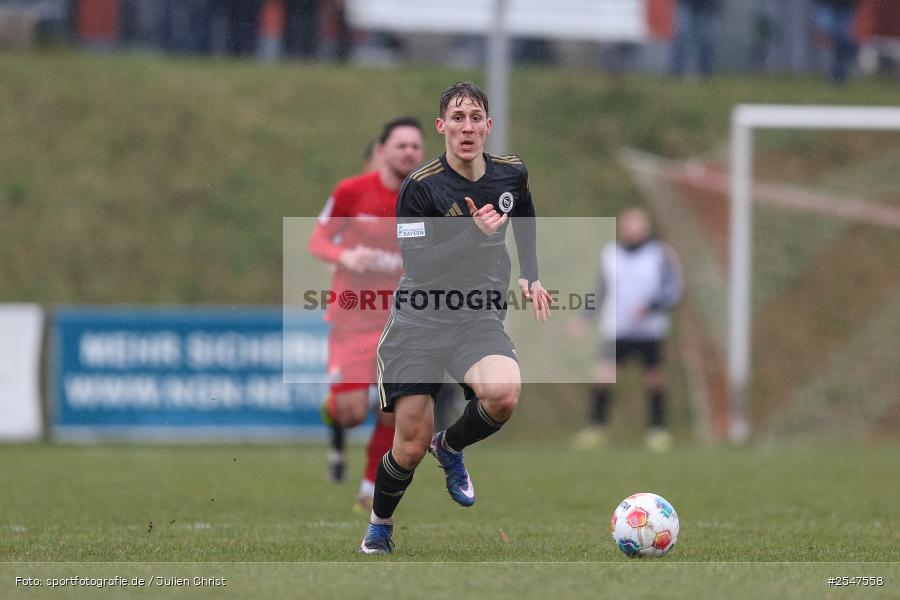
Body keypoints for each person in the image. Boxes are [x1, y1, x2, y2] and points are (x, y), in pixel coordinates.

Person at [358, 81, 553, 554]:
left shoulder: (511, 173)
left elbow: (522, 211)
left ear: (488, 125)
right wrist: (473, 233)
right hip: (419, 322)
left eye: (476, 118)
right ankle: (380, 525)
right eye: (458, 118)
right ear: (441, 126)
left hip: (475, 317)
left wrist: (529, 274)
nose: (467, 127)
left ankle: (449, 447)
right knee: (408, 444)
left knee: (504, 394)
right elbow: (418, 264)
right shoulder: (420, 187)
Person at [308, 117, 426, 511]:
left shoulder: (429, 200)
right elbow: (318, 238)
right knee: (351, 411)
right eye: (401, 145)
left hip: (400, 323)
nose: (408, 152)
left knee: (393, 409)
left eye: (415, 146)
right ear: (382, 151)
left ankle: (369, 485)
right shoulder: (351, 191)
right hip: (353, 317)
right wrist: (344, 254)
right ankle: (334, 414)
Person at [570, 208, 683, 452]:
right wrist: (585, 318)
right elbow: (600, 290)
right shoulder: (610, 254)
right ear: (622, 227)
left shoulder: (660, 254)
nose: (633, 230)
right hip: (616, 329)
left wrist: (651, 306)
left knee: (654, 380)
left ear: (646, 228)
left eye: (638, 225)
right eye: (629, 225)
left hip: (650, 330)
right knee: (603, 377)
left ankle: (657, 431)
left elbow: (674, 290)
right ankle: (596, 429)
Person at [669, 0, 721, 78]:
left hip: (706, 5)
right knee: (682, 34)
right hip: (686, 3)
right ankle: (676, 71)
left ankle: (706, 72)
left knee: (706, 37)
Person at [814, 0, 858, 85]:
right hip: (827, 6)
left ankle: (838, 76)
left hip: (844, 8)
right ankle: (831, 75)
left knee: (842, 44)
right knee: (828, 42)